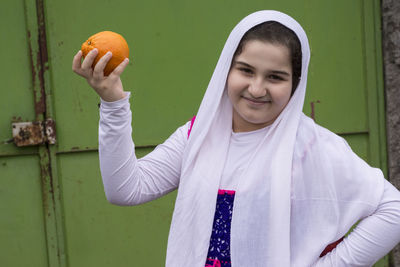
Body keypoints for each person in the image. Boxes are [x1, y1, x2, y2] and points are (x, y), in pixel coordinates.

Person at [72, 10, 400, 267]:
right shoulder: (197, 135)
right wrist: (113, 103)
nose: (256, 89)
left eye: (275, 77)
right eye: (245, 70)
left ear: (296, 83)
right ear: (227, 69)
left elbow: (393, 210)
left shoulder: (311, 147)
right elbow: (126, 190)